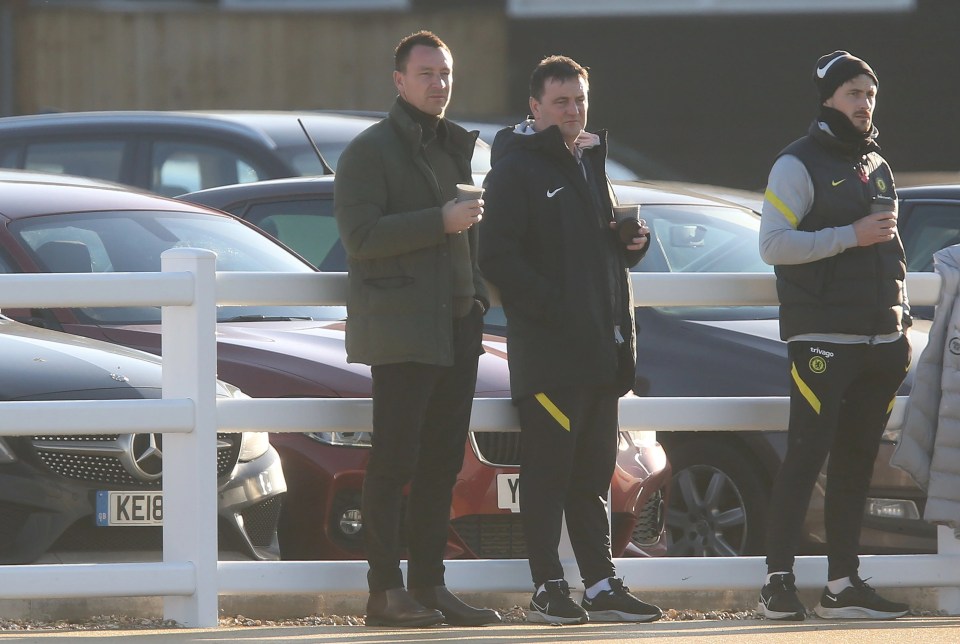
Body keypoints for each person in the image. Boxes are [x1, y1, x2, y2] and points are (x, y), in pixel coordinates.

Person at [478, 55, 662, 625]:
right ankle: (547, 588)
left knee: (591, 479)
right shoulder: (513, 170)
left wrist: (630, 244)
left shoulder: (588, 164)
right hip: (551, 355)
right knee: (548, 476)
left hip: (600, 354)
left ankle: (601, 584)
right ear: (534, 108)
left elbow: (592, 255)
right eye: (561, 102)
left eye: (580, 100)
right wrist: (556, 308)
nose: (573, 111)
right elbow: (496, 257)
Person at [333, 30, 500, 628]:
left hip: (458, 327)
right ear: (399, 81)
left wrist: (479, 295)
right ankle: (384, 593)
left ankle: (429, 588)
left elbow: (474, 239)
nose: (439, 84)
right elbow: (361, 239)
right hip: (404, 331)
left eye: (446, 73)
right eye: (426, 73)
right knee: (395, 462)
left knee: (439, 467)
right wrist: (441, 220)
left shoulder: (455, 147)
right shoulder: (369, 152)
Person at [757, 50, 912, 621]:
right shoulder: (794, 164)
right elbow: (772, 245)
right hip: (822, 337)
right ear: (827, 99)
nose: (865, 104)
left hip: (880, 340)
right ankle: (777, 584)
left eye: (870, 94)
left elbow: (889, 248)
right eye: (853, 94)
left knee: (856, 462)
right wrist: (849, 234)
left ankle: (842, 585)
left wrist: (900, 320)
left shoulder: (877, 162)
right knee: (805, 455)